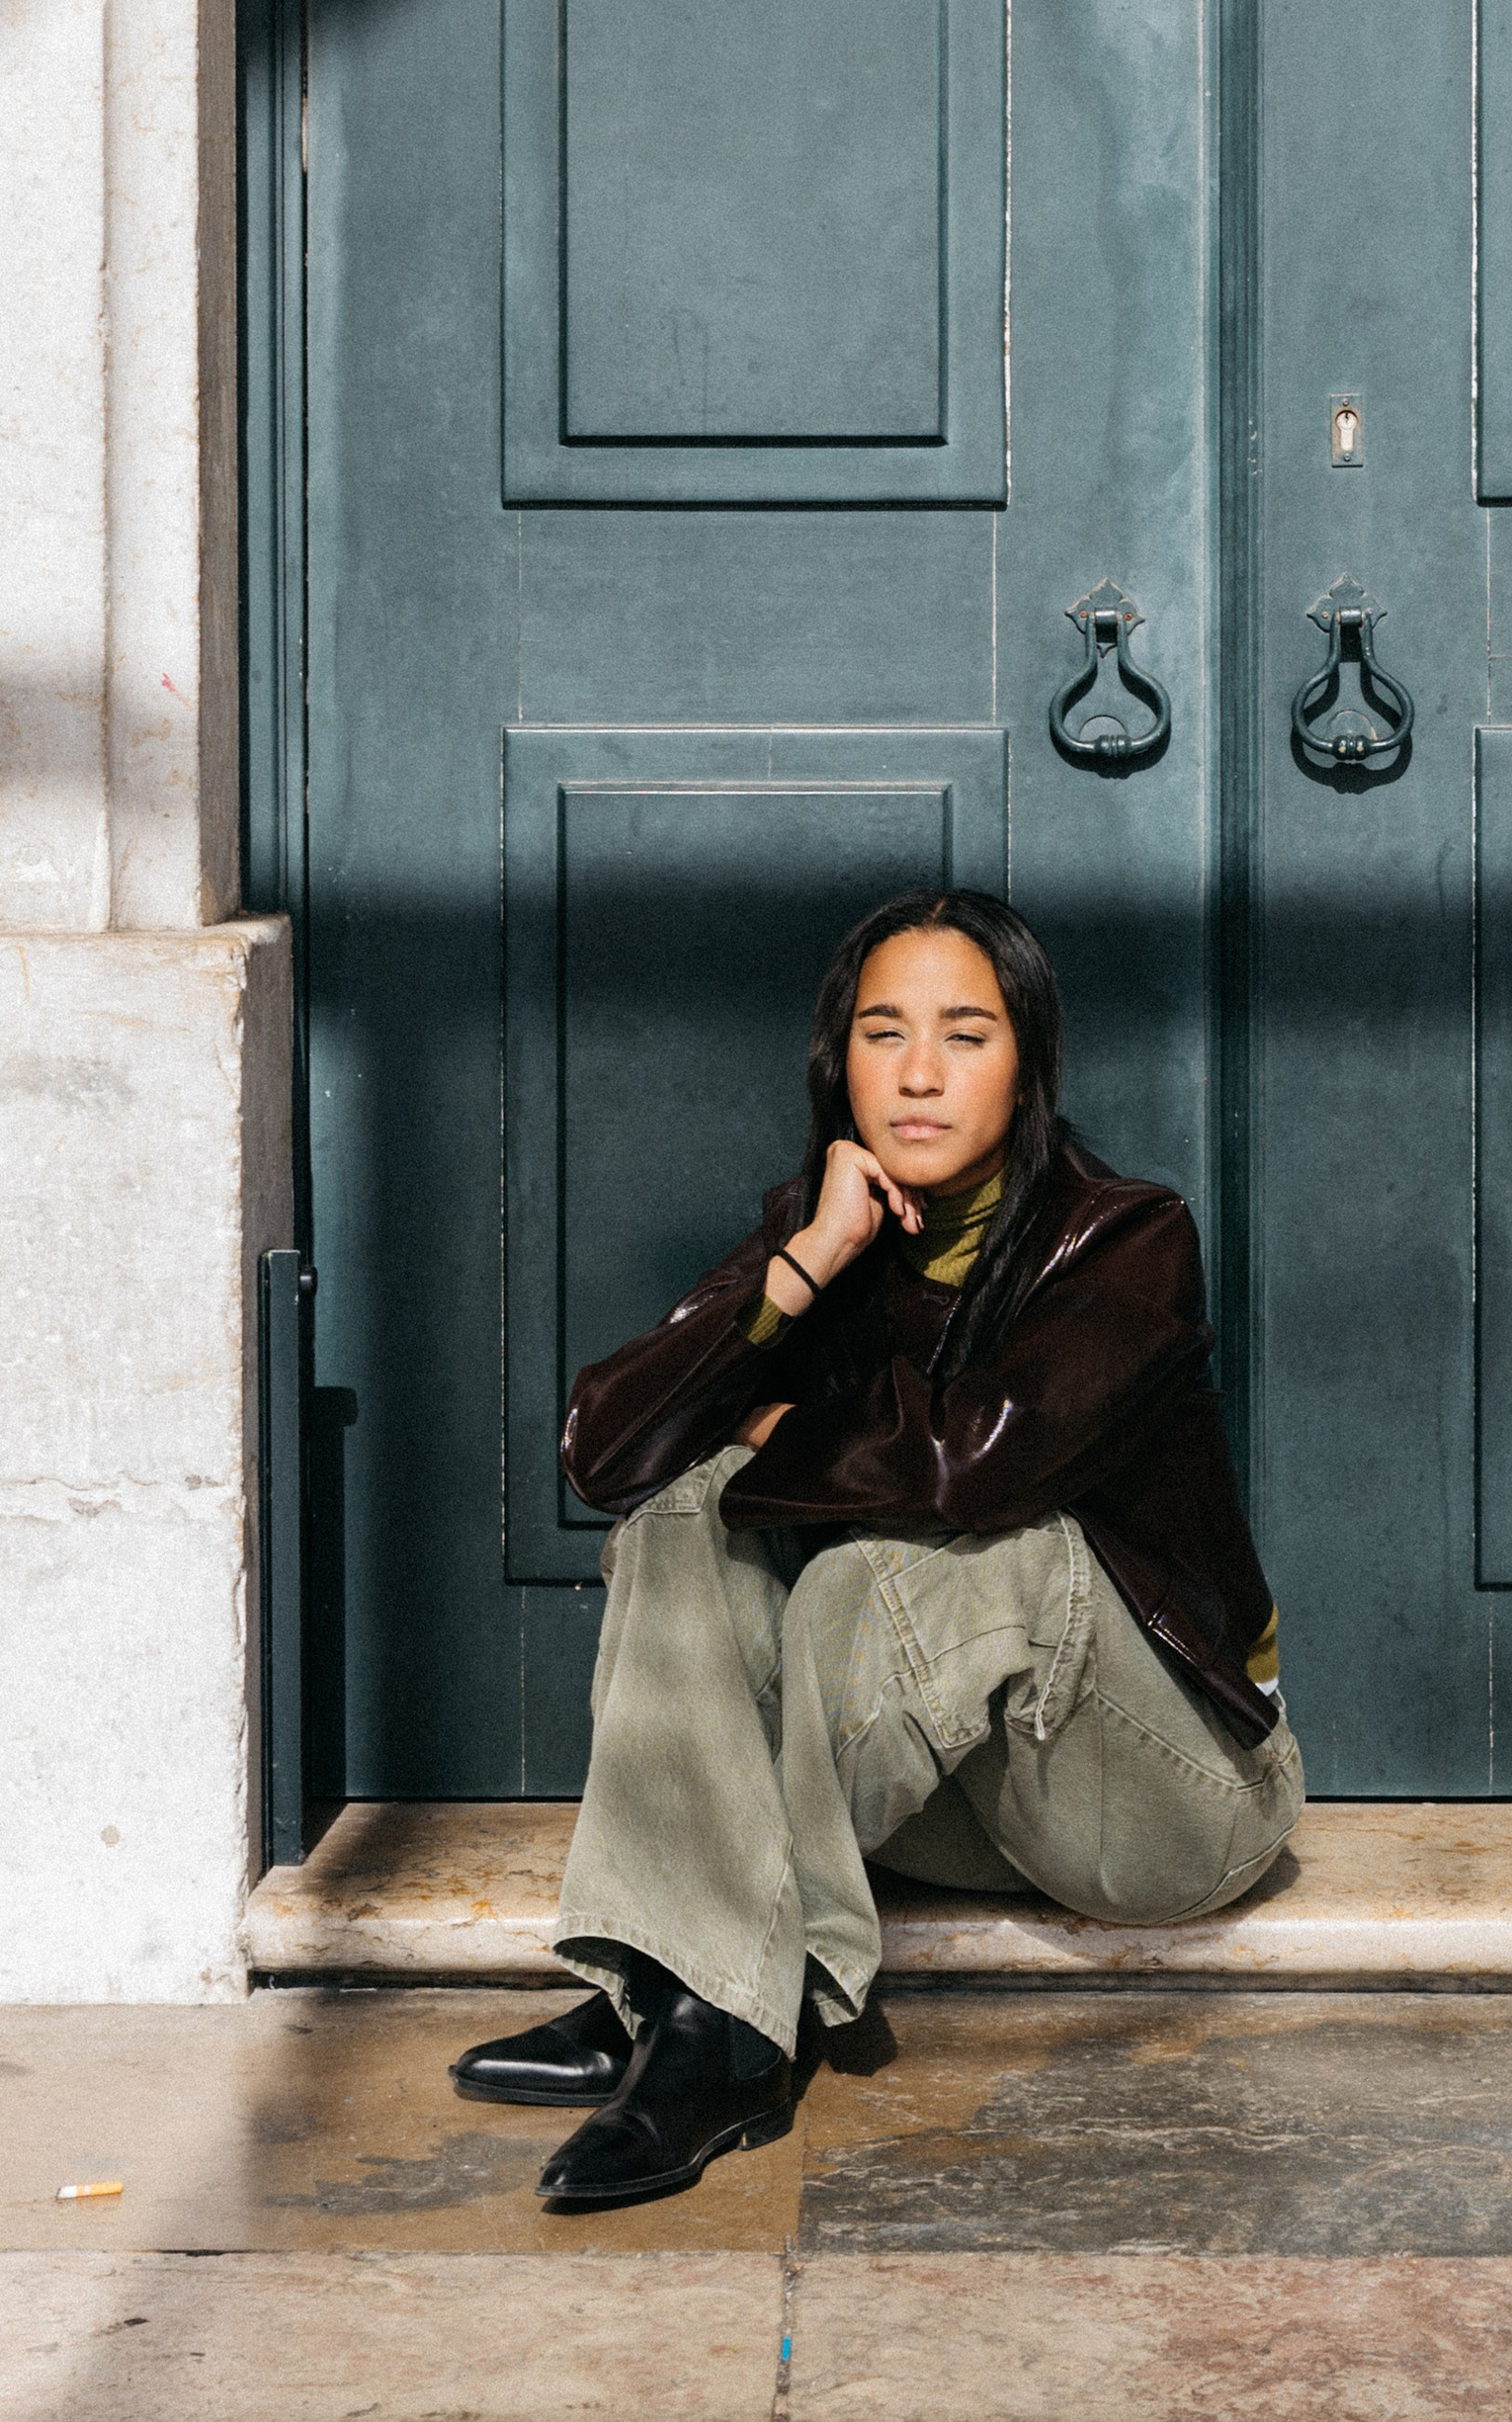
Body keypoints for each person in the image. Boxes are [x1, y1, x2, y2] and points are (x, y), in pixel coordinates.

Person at [450, 888, 1302, 2212]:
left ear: (1027, 1064)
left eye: (965, 1035)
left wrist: (781, 1424)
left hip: (1170, 1796)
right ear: (836, 1059)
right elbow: (605, 1452)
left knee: (909, 1563)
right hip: (952, 1807)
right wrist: (804, 1264)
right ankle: (672, 1986)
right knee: (683, 1511)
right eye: (883, 1032)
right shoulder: (828, 1222)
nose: (917, 1073)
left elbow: (973, 1466)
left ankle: (719, 2022)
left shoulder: (1127, 1241)